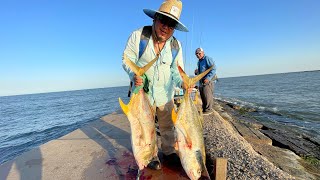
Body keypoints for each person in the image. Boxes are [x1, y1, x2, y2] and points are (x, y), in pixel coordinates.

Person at [122, 0, 188, 170]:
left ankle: (168, 152)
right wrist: (134, 74)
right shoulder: (139, 36)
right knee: (145, 128)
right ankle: (150, 156)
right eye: (163, 20)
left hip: (165, 95)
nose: (166, 27)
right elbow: (126, 60)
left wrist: (183, 82)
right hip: (143, 94)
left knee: (168, 126)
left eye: (171, 24)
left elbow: (176, 70)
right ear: (155, 19)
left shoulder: (176, 45)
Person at [194, 47, 216, 115]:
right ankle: (204, 109)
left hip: (208, 81)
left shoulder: (207, 58)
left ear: (203, 53)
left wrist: (208, 78)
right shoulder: (199, 62)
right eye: (196, 54)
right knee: (203, 95)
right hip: (201, 82)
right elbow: (201, 72)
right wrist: (197, 72)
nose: (198, 55)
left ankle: (209, 110)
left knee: (207, 95)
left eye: (199, 53)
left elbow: (213, 69)